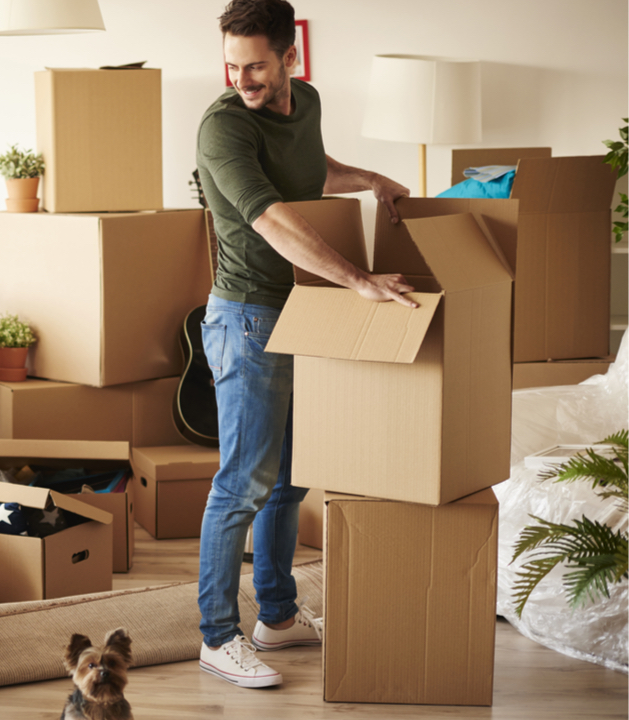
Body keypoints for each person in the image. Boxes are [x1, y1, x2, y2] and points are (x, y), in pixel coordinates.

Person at [193, 0, 417, 689]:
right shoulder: (222, 127)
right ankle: (217, 635)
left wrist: (372, 180)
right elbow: (274, 218)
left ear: (291, 58)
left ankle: (278, 617)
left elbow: (309, 172)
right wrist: (359, 281)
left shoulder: (307, 102)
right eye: (232, 65)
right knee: (243, 483)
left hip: (303, 309)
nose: (242, 79)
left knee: (290, 480)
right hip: (248, 319)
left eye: (255, 65)